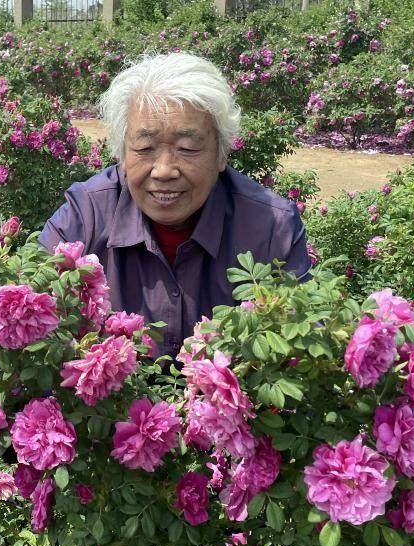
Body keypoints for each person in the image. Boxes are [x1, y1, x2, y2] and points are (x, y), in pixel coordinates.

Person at [38, 52, 310, 359]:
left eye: (188, 148)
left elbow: (298, 352)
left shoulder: (272, 228)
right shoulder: (84, 216)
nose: (164, 170)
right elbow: (33, 320)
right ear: (122, 155)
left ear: (221, 154)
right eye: (144, 148)